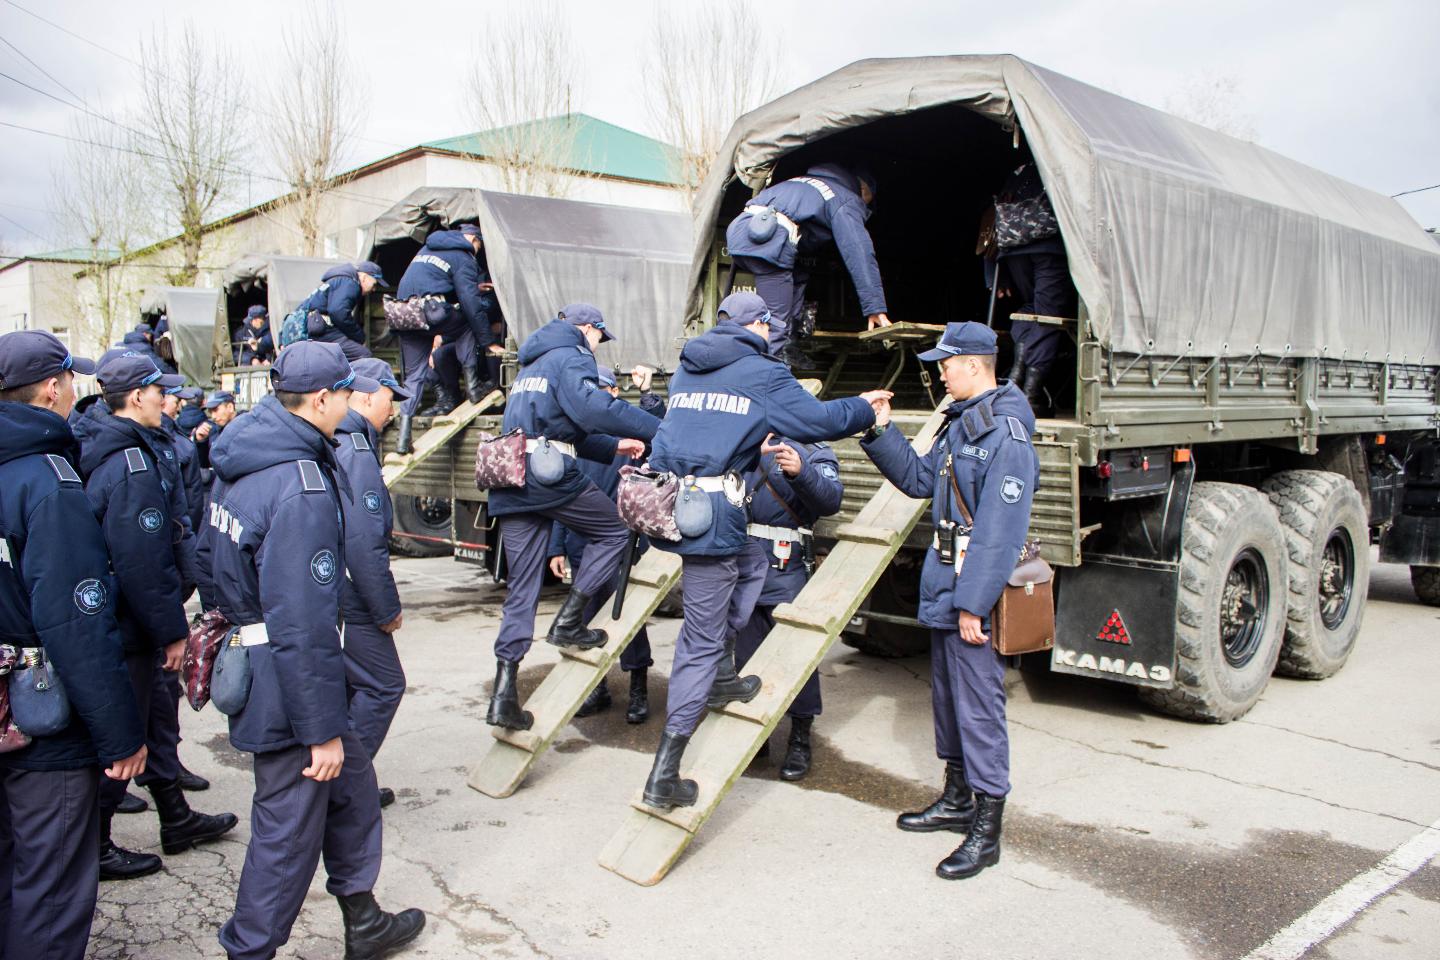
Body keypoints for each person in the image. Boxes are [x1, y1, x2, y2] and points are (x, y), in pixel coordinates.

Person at [200, 340, 424, 959]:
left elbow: (203, 556)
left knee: (351, 789)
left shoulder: (241, 456)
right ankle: (249, 950)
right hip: (288, 683)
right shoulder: (300, 486)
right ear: (323, 399)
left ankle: (363, 916)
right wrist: (321, 727)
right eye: (348, 393)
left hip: (267, 662)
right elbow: (302, 624)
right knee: (286, 830)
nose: (354, 404)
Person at [638, 292, 888, 809]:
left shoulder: (686, 373)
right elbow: (819, 422)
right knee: (700, 644)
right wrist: (865, 407)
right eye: (771, 327)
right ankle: (665, 773)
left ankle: (727, 677)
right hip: (714, 520)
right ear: (759, 326)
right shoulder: (763, 373)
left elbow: (666, 445)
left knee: (751, 562)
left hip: (682, 512)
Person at [860, 320, 1038, 880]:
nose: (939, 371)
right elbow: (918, 482)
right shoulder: (959, 423)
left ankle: (986, 830)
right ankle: (957, 797)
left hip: (971, 587)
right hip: (945, 577)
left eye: (946, 363)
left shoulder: (1005, 434)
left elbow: (999, 532)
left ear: (974, 366)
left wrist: (973, 605)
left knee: (980, 708)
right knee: (949, 701)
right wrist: (880, 431)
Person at [0, 330, 148, 960]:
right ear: (55, 388)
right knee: (52, 886)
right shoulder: (47, 480)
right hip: (43, 721)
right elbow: (76, 622)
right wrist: (119, 734)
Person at [73, 353, 239, 880]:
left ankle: (174, 817)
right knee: (126, 738)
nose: (168, 400)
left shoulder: (124, 447)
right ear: (138, 396)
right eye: (159, 391)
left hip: (131, 620)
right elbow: (142, 561)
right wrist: (170, 632)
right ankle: (90, 848)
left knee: (152, 723)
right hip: (132, 625)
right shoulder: (130, 463)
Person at [484, 304, 660, 732]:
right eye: (600, 336)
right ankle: (568, 622)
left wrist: (614, 447)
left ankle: (504, 697)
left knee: (521, 591)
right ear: (587, 329)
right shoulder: (573, 355)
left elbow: (562, 425)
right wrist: (656, 429)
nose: (599, 345)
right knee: (615, 532)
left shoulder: (532, 364)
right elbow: (593, 410)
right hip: (547, 475)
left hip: (511, 477)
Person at [732, 416, 844, 781]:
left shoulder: (815, 449)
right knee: (746, 655)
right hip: (744, 564)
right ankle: (754, 734)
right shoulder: (745, 442)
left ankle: (800, 736)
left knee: (796, 655)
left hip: (786, 566)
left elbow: (830, 500)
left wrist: (801, 471)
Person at [545, 367, 655, 724]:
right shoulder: (574, 436)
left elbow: (658, 423)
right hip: (582, 543)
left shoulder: (627, 432)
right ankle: (597, 689)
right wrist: (556, 547)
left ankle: (638, 689)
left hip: (622, 540)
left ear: (614, 393)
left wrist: (648, 393)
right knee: (588, 617)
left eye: (601, 390)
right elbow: (563, 495)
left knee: (629, 618)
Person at [725, 162, 892, 366]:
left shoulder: (808, 184)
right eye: (866, 202)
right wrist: (875, 307)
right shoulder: (845, 197)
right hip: (770, 239)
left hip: (743, 230)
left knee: (794, 284)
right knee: (775, 322)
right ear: (863, 189)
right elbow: (858, 249)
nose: (864, 208)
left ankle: (787, 349)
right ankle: (770, 380)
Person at [335, 358, 410, 810]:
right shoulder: (356, 449)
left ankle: (344, 779)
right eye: (389, 398)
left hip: (333, 590)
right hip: (350, 593)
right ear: (364, 396)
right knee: (384, 685)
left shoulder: (342, 439)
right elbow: (363, 541)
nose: (393, 409)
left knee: (348, 688)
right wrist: (386, 608)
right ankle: (345, 788)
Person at [391, 224, 503, 454]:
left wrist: (474, 287)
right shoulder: (463, 256)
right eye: (478, 245)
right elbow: (471, 305)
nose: (477, 250)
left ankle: (403, 439)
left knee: (413, 377)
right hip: (430, 312)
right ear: (472, 239)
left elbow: (428, 283)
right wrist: (488, 341)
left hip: (402, 313)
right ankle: (473, 388)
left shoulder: (425, 250)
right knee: (469, 323)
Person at [994, 160, 1075, 415]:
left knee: (1029, 310)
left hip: (1015, 251)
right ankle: (1029, 394)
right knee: (1048, 317)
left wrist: (1000, 273)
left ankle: (1016, 378)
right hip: (1048, 250)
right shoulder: (1058, 164)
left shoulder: (1017, 171)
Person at [296, 261, 387, 362]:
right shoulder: (350, 283)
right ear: (364, 277)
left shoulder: (337, 280)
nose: (374, 289)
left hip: (303, 328)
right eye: (374, 284)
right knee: (363, 355)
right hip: (317, 327)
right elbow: (338, 313)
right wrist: (360, 337)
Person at [192, 390, 237, 473]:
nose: (213, 416)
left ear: (230, 407)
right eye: (210, 412)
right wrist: (201, 442)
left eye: (216, 410)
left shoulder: (247, 429)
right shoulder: (212, 429)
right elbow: (204, 465)